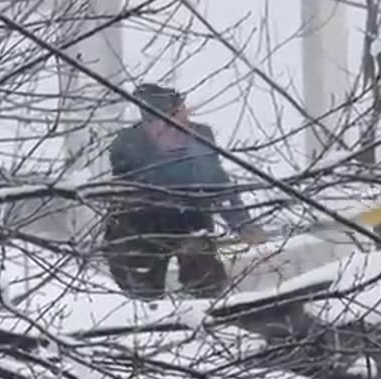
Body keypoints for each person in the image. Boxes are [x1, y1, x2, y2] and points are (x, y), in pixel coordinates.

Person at [102, 83, 266, 300]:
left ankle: (205, 310)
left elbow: (218, 184)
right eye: (173, 115)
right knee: (141, 291)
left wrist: (243, 225)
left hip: (191, 221)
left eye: (181, 110)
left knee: (204, 273)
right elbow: (126, 192)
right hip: (140, 225)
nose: (183, 119)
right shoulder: (127, 144)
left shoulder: (201, 137)